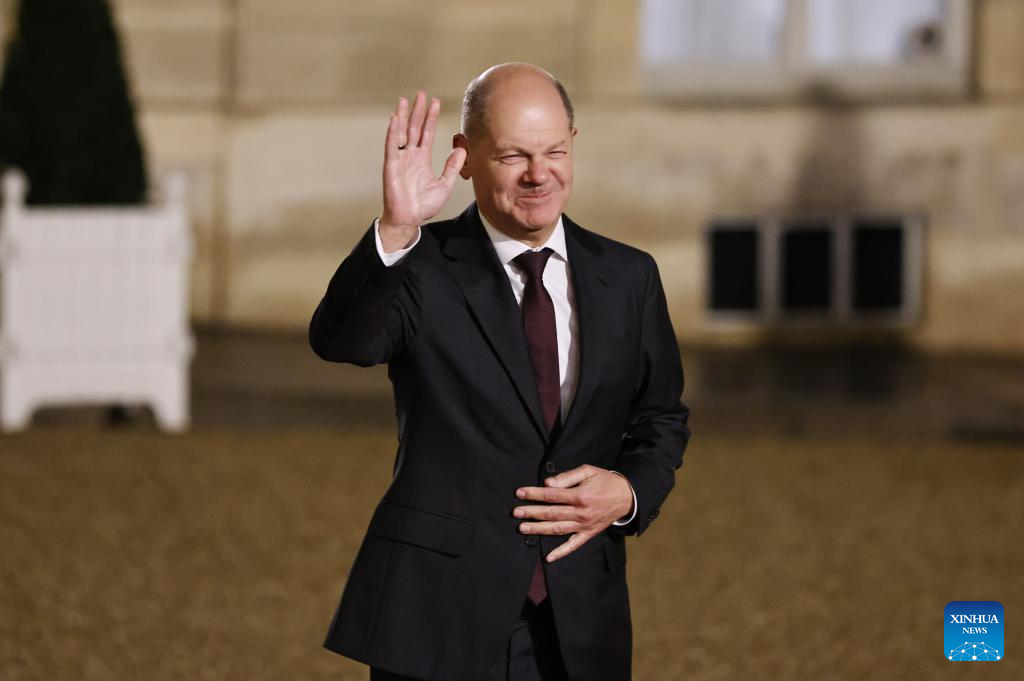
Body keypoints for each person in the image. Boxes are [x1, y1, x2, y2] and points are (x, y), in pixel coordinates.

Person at [309, 63, 690, 681]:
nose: (539, 175)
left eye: (554, 151)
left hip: (579, 619)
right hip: (438, 612)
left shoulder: (629, 277)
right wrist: (398, 227)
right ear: (465, 156)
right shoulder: (421, 266)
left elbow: (660, 418)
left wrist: (629, 492)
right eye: (513, 156)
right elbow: (342, 342)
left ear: (573, 143)